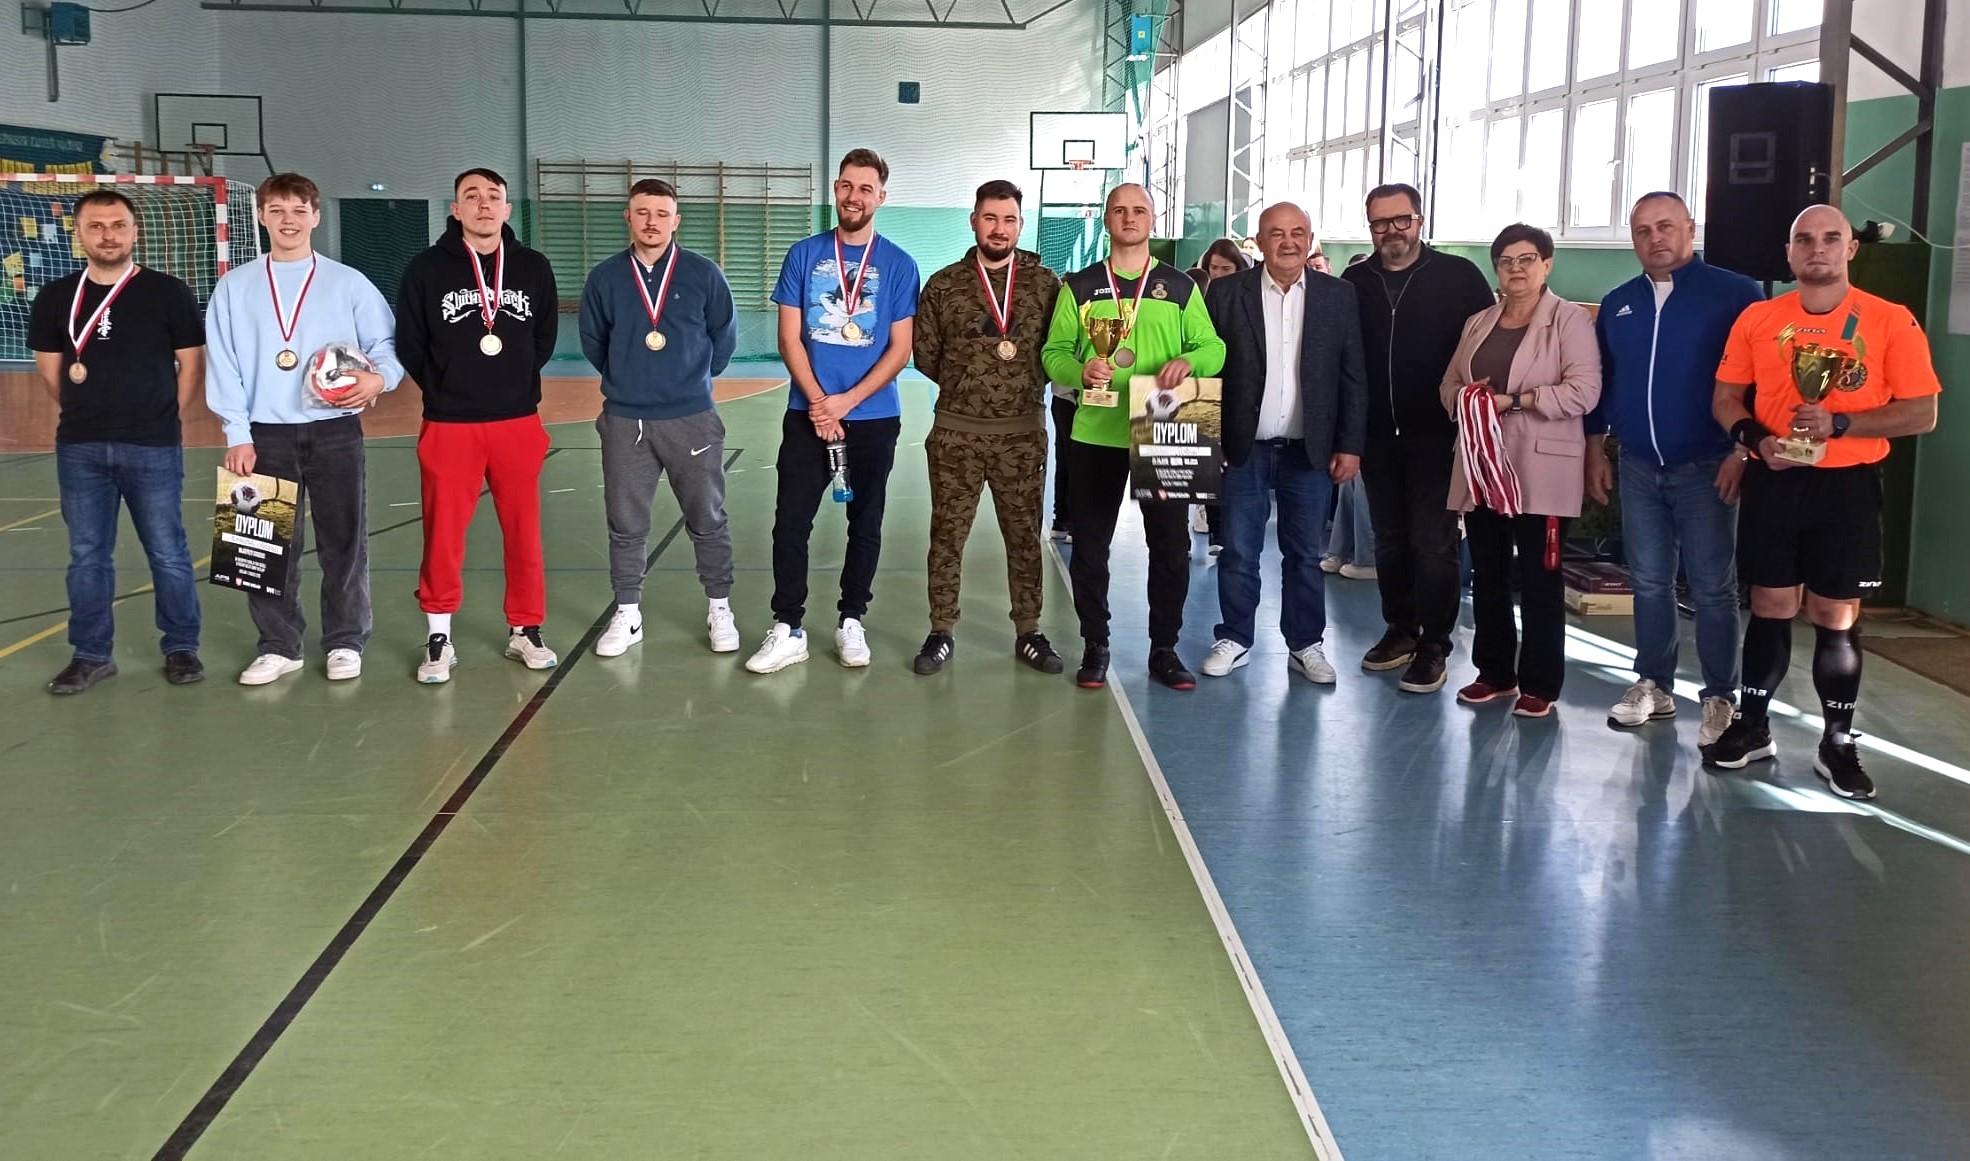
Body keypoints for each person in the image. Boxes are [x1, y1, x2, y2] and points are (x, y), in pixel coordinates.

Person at [1705, 205, 1941, 800]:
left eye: (1831, 238)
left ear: (1850, 249)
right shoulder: (1759, 318)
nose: (1817, 248)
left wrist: (1841, 423)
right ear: (1788, 253)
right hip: (1775, 479)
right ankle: (1753, 725)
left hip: (1846, 486)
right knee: (1770, 604)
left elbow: (1922, 412)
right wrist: (1753, 440)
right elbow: (1726, 399)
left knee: (1835, 614)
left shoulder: (1891, 320)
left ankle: (1837, 741)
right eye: (1804, 239)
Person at [205, 172, 404, 685]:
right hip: (262, 434)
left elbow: (386, 345)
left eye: (299, 210)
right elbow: (223, 363)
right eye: (277, 210)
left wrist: (379, 378)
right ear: (261, 217)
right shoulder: (234, 287)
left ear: (316, 216)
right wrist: (236, 433)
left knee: (345, 540)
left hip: (335, 429)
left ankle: (345, 640)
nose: (288, 220)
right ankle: (278, 646)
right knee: (260, 545)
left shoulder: (348, 282)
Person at [1588, 192, 1764, 743]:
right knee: (1648, 581)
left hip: (1708, 464)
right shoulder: (1619, 303)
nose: (1654, 238)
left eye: (1665, 226)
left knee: (1713, 587)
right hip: (1639, 463)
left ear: (1690, 228)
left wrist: (1742, 452)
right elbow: (1604, 382)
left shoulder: (1737, 295)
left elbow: (1759, 384)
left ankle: (1720, 696)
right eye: (1642, 230)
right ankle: (1654, 683)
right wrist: (1595, 449)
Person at [1041, 183, 1226, 690]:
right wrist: (1080, 371)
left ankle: (1164, 649)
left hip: (1166, 422)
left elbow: (1214, 347)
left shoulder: (1180, 287)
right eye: (1119, 210)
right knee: (1090, 545)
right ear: (1106, 220)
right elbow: (1053, 352)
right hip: (1096, 431)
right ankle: (1095, 644)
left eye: (1139, 210)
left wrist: (1190, 362)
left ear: (1152, 219)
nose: (1129, 218)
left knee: (1170, 545)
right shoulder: (1080, 286)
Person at [747, 148, 920, 674]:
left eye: (865, 188)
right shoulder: (803, 254)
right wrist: (820, 403)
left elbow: (900, 349)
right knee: (790, 523)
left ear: (881, 197)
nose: (854, 196)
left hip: (873, 418)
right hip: (807, 415)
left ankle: (851, 619)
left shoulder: (899, 264)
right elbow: (789, 338)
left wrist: (845, 401)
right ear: (836, 190)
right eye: (846, 185)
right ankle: (788, 626)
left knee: (865, 523)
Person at [27, 190, 206, 693]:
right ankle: (91, 654)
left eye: (118, 225)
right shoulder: (55, 297)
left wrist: (164, 415)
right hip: (80, 447)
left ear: (134, 232)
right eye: (97, 226)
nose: (109, 235)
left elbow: (191, 365)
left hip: (153, 445)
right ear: (79, 234)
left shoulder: (168, 292)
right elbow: (51, 371)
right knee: (87, 556)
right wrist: (83, 410)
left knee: (168, 551)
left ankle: (181, 647)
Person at [396, 167, 561, 684]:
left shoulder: (532, 267)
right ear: (456, 209)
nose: (484, 204)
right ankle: (439, 636)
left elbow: (544, 337)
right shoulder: (425, 269)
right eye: (472, 196)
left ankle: (525, 628)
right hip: (450, 423)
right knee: (443, 533)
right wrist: (446, 387)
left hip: (517, 420)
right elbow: (410, 344)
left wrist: (513, 380)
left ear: (507, 209)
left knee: (524, 531)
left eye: (493, 196)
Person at [1199, 201, 1366, 683]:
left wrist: (1350, 444)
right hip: (1242, 448)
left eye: (1297, 233)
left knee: (1304, 556)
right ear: (1258, 241)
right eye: (1276, 233)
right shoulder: (1226, 292)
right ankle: (1234, 637)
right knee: (1238, 551)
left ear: (1310, 240)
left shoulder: (1338, 295)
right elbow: (1209, 367)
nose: (1288, 241)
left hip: (1309, 451)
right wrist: (1211, 439)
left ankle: (1305, 644)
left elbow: (1353, 373)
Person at [1341, 183, 1497, 693]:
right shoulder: (1355, 281)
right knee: (1389, 540)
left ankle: (1435, 644)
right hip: (1376, 437)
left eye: (1401, 220)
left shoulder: (1459, 276)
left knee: (1433, 543)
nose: (1391, 231)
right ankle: (1400, 630)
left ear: (1420, 221)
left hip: (1439, 436)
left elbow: (1488, 340)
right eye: (1380, 223)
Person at [1441, 224, 1601, 718]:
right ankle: (1494, 673)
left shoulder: (1570, 320)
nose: (1516, 269)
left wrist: (1515, 401)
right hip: (1482, 467)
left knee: (1540, 579)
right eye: (1506, 261)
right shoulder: (1478, 322)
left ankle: (1540, 683)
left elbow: (1584, 392)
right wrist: (1468, 400)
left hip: (1542, 469)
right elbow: (1449, 385)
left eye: (1526, 259)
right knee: (1488, 575)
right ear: (1496, 268)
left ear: (1546, 265)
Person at [578, 178, 740, 661]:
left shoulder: (703, 274)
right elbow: (594, 341)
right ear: (628, 217)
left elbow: (724, 337)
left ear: (676, 220)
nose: (652, 221)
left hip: (691, 417)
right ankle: (628, 612)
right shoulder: (605, 277)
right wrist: (629, 378)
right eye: (643, 212)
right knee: (626, 522)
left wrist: (690, 380)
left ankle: (719, 607)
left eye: (662, 213)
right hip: (625, 419)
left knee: (707, 517)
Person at [910, 180, 1065, 675]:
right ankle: (940, 630)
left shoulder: (1046, 285)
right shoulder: (943, 284)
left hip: (1022, 435)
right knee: (947, 535)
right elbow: (925, 354)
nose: (1000, 229)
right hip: (956, 434)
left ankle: (1029, 630)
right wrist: (969, 386)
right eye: (991, 218)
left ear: (1021, 224)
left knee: (1024, 536)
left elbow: (1058, 350)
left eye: (1009, 219)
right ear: (974, 221)